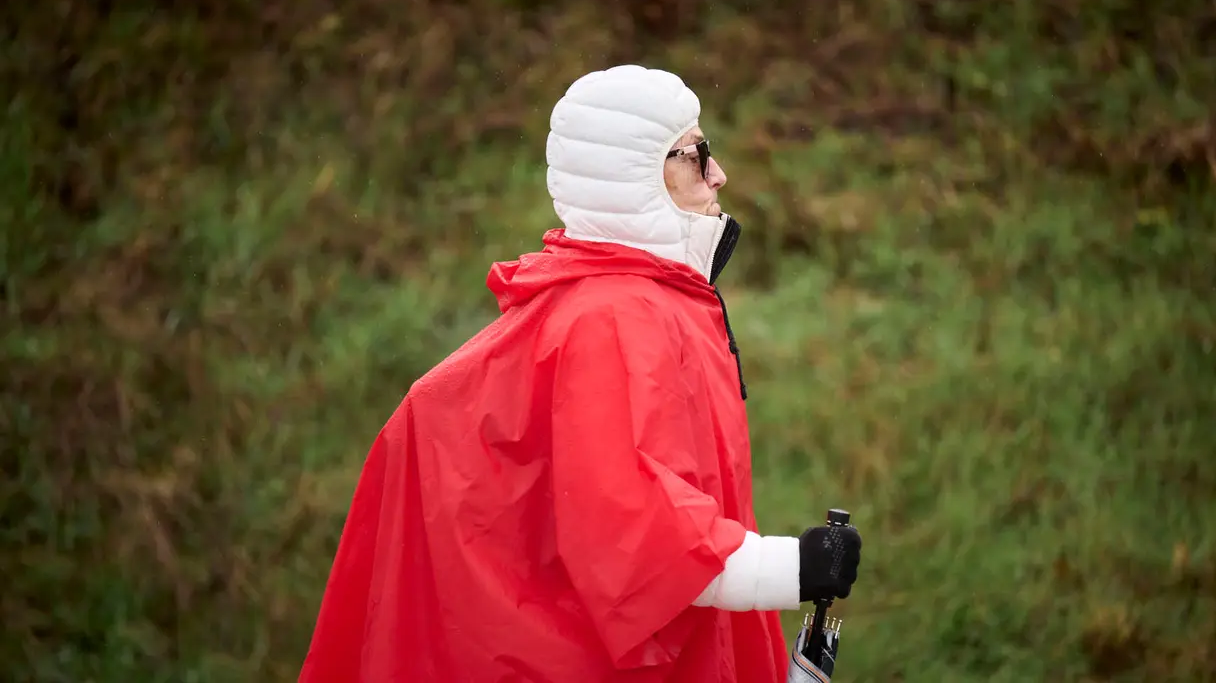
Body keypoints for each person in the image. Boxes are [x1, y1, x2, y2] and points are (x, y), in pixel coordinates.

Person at [297, 64, 862, 683]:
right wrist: (794, 569)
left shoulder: (618, 299)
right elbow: (632, 527)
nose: (718, 173)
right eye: (696, 154)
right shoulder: (617, 316)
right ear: (635, 177)